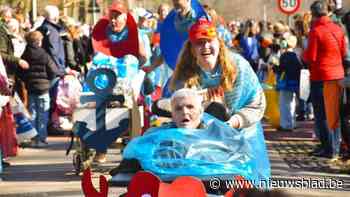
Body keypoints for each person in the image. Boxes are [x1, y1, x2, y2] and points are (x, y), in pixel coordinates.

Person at [169, 19, 270, 180]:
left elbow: (256, 104)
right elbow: (176, 105)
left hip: (243, 135)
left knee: (247, 185)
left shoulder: (239, 67)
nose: (205, 47)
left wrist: (231, 123)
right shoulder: (184, 73)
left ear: (219, 43)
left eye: (209, 41)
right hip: (198, 140)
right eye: (199, 43)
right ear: (192, 49)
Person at [303, 0, 347, 159]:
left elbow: (311, 57)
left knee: (321, 114)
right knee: (334, 113)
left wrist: (303, 54)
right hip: (338, 75)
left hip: (321, 76)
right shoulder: (338, 28)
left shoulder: (316, 31)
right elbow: (343, 52)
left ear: (313, 14)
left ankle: (328, 149)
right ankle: (335, 147)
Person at [18, 31, 60, 147]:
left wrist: (27, 80)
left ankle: (33, 138)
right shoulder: (44, 54)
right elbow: (53, 71)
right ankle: (42, 138)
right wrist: (47, 81)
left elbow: (20, 71)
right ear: (38, 42)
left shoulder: (25, 54)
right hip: (44, 89)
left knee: (33, 113)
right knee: (43, 114)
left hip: (31, 88)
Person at [37, 5, 65, 74]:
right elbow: (53, 51)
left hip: (44, 67)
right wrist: (60, 69)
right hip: (53, 69)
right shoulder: (52, 31)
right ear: (55, 17)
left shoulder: (41, 28)